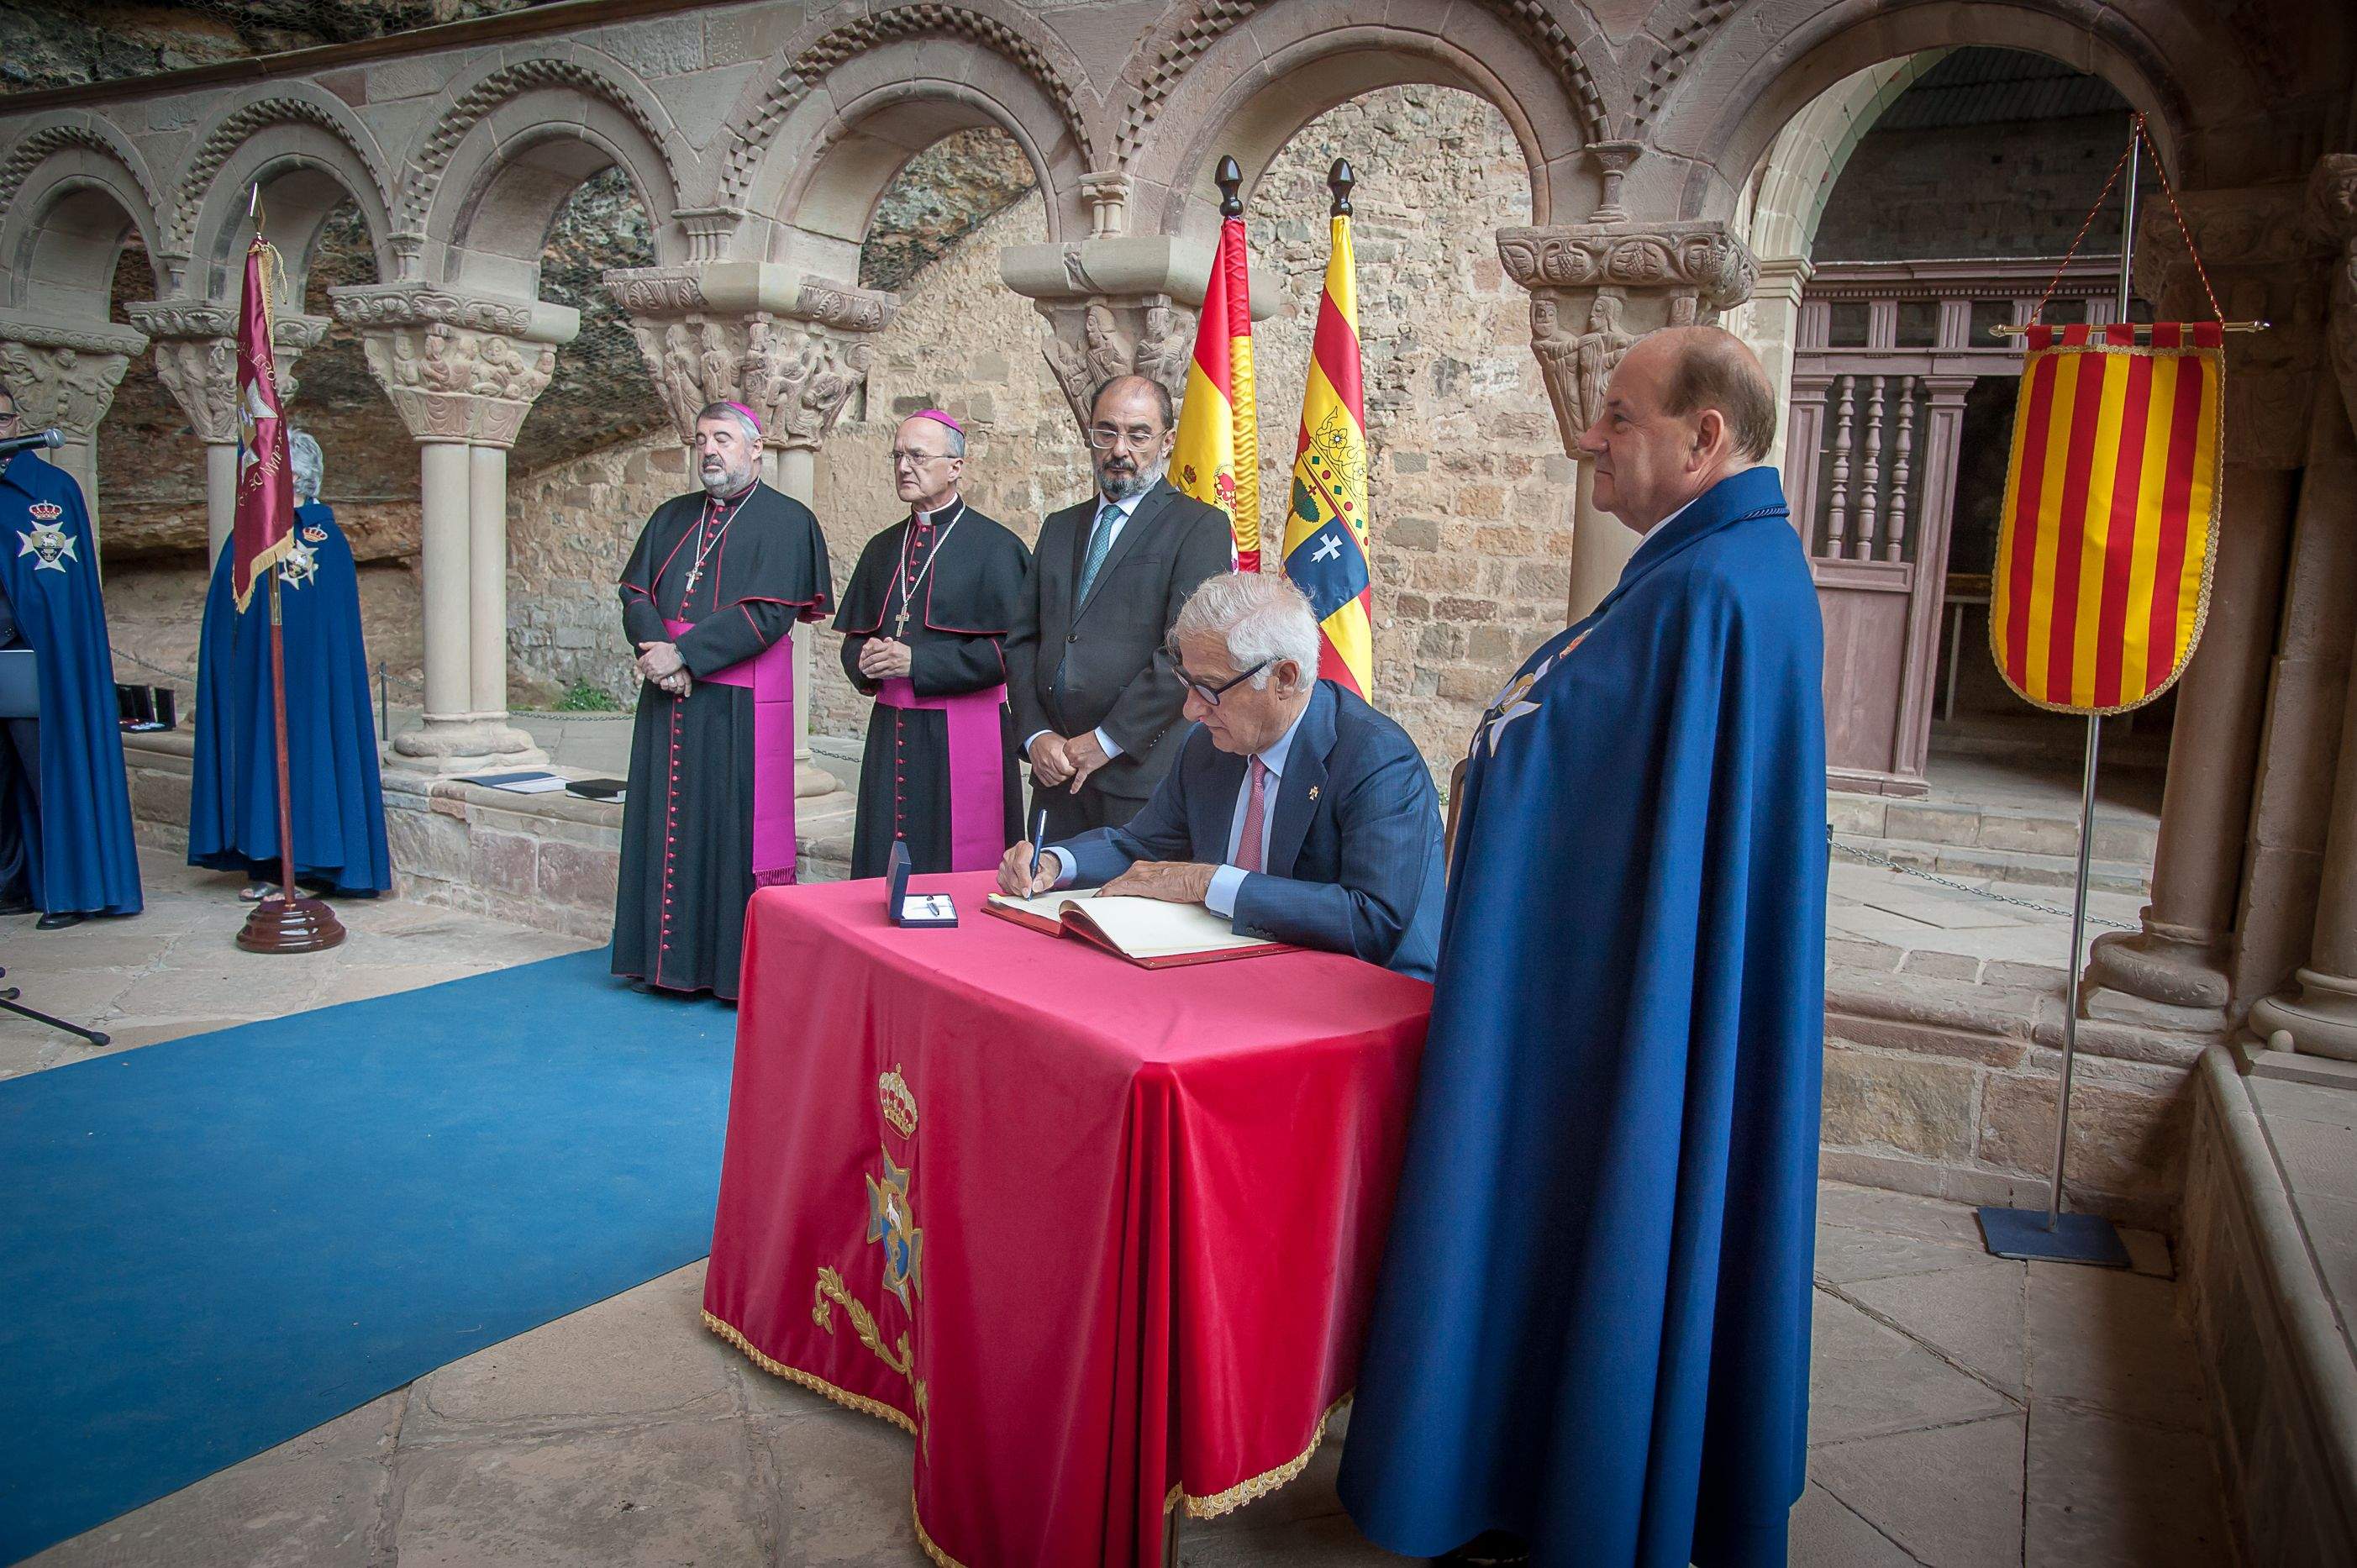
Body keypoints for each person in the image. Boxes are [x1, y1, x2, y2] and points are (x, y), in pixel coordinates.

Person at [1337, 328, 1827, 1568]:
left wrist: (1496, 761)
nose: (1587, 438)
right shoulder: (1706, 567)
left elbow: (1590, 776)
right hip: (1616, 979)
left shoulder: (1716, 587)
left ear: (1701, 437)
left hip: (1615, 995)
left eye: (1616, 415)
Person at [997, 571, 1443, 979]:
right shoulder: (1211, 746)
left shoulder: (1375, 756)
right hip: (1232, 968)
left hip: (1360, 991)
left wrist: (1204, 881)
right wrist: (1055, 862)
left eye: (1209, 689)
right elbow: (1142, 846)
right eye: (1186, 684)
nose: (1191, 710)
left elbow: (1373, 921)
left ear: (1284, 678)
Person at [611, 402, 833, 1001]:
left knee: (725, 832)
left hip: (736, 707)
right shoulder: (671, 516)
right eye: (703, 439)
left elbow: (769, 613)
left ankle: (725, 972)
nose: (710, 450)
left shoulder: (787, 522)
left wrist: (684, 658)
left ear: (755, 449)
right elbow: (635, 591)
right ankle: (659, 962)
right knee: (664, 825)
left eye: (724, 439)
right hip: (668, 698)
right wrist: (656, 647)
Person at [1002, 374, 1232, 838]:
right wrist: (1036, 736)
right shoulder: (1059, 527)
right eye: (1106, 432)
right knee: (1046, 906)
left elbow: (1183, 654)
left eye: (1138, 435)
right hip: (1057, 775)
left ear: (1167, 443)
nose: (1119, 449)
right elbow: (1024, 642)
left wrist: (1105, 741)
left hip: (1140, 778)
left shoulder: (1198, 527)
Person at [188, 429, 391, 899]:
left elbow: (326, 619)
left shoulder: (323, 538)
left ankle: (309, 866)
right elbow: (228, 605)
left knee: (307, 755)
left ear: (295, 477)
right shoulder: (249, 533)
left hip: (309, 682)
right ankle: (267, 860)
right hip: (259, 675)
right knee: (262, 754)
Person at [835, 410, 1031, 877]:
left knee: (955, 870)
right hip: (891, 734)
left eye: (918, 456)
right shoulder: (882, 549)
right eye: (898, 456)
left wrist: (916, 661)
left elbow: (1012, 653)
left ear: (955, 466)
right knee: (883, 865)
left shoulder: (997, 548)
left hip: (963, 735)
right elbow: (854, 638)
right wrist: (864, 660)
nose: (904, 466)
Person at [0, 384, 141, 929]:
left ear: (16, 423)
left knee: (47, 773)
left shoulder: (49, 489)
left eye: (3, 420)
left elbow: (58, 591)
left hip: (34, 663)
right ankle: (12, 885)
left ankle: (72, 889)